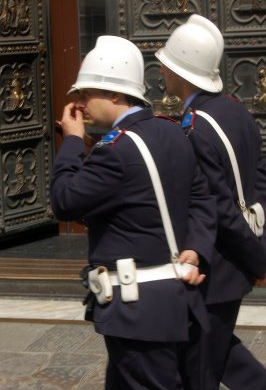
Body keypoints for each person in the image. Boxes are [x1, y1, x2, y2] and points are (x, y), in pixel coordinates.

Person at [50, 35, 217, 390]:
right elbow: (203, 198)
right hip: (172, 300)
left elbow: (64, 202)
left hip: (138, 309)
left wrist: (73, 141)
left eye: (86, 92)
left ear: (114, 94)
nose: (79, 102)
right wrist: (198, 246)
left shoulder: (115, 150)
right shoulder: (172, 132)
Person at [155, 14, 266, 390]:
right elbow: (258, 183)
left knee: (200, 369)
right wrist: (258, 237)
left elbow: (216, 207)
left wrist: (258, 258)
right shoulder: (236, 109)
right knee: (219, 353)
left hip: (215, 269)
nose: (163, 71)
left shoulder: (195, 127)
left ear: (181, 72)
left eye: (168, 65)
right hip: (235, 263)